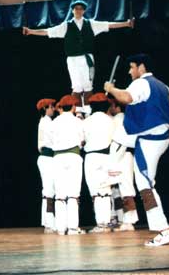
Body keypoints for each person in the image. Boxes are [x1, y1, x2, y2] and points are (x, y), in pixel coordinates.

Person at [104, 54, 169, 246]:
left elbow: (126, 97)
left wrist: (111, 89)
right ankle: (163, 229)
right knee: (123, 139)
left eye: (131, 67)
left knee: (144, 185)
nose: (129, 71)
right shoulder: (162, 86)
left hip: (149, 141)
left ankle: (164, 230)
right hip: (163, 137)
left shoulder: (140, 84)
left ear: (141, 68)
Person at [22, 0, 134, 104]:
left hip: (87, 59)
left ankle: (88, 110)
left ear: (84, 11)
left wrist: (126, 23)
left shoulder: (91, 24)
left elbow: (109, 25)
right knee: (76, 87)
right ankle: (77, 113)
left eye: (81, 8)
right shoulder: (66, 26)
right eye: (76, 8)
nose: (78, 10)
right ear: (72, 11)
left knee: (88, 86)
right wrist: (31, 31)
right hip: (73, 60)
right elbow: (48, 32)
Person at [50, 94, 85, 235]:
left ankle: (60, 228)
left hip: (57, 158)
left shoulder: (54, 122)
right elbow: (83, 139)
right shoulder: (77, 121)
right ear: (73, 107)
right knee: (73, 193)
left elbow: (51, 140)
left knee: (59, 193)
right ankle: (72, 228)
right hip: (73, 156)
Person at [82, 93, 115, 233]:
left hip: (92, 157)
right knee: (106, 190)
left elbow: (81, 140)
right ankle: (105, 223)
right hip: (107, 156)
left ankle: (100, 223)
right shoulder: (111, 120)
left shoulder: (87, 121)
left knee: (95, 191)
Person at [107, 101, 138, 232]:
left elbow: (119, 141)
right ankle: (125, 220)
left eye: (112, 106)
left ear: (117, 107)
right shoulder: (124, 118)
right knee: (123, 188)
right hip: (124, 155)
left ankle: (129, 221)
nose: (110, 108)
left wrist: (113, 162)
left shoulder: (119, 119)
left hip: (122, 155)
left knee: (126, 188)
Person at [36, 98, 56, 233]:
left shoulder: (46, 122)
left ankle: (48, 221)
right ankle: (49, 223)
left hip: (47, 158)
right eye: (51, 107)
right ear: (45, 108)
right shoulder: (47, 122)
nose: (53, 109)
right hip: (47, 157)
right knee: (49, 190)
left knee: (48, 190)